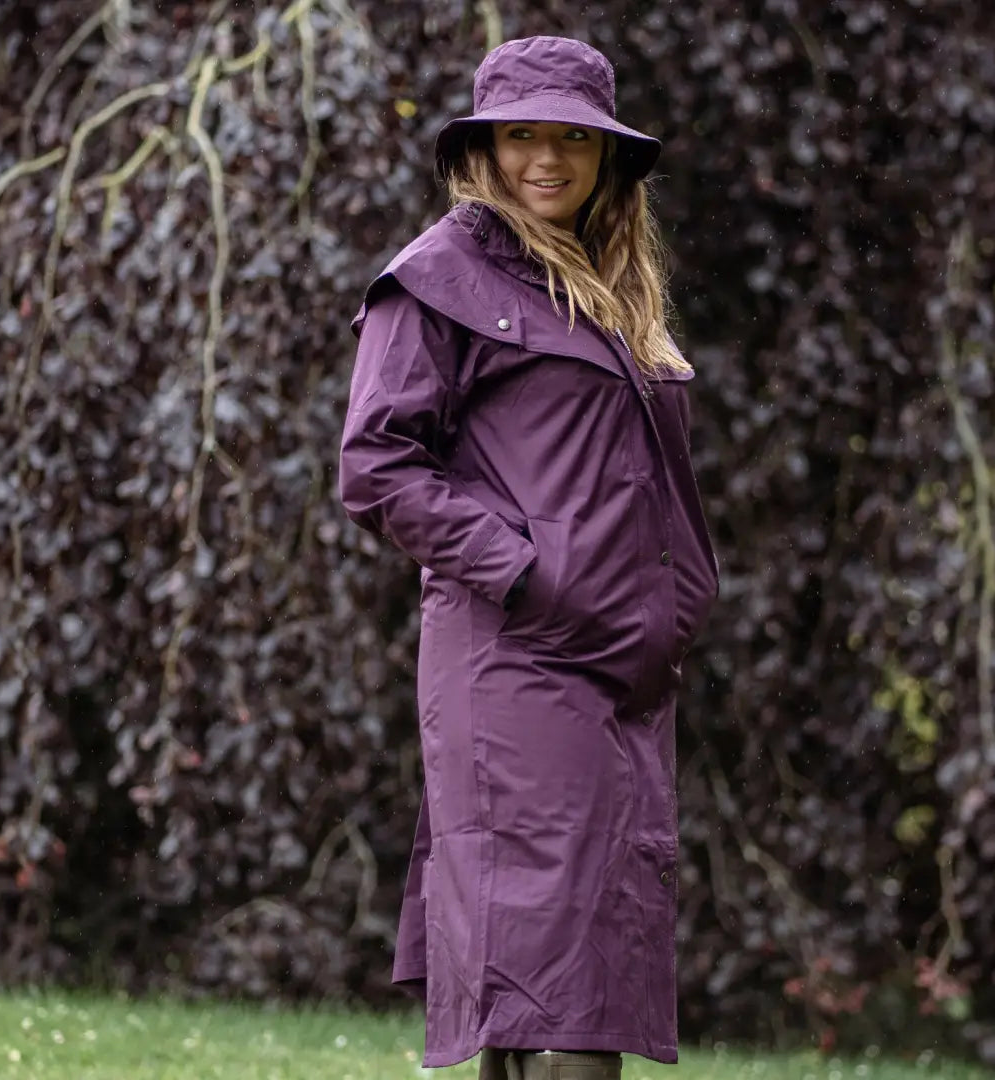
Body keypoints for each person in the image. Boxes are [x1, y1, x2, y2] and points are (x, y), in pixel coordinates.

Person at [338, 35, 719, 1080]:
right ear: (484, 148)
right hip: (519, 663)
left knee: (568, 977)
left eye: (569, 139)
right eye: (520, 136)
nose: (544, 159)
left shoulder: (607, 290)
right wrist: (523, 573)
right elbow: (376, 466)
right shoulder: (439, 279)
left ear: (606, 158)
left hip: (622, 677)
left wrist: (677, 600)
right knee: (561, 996)